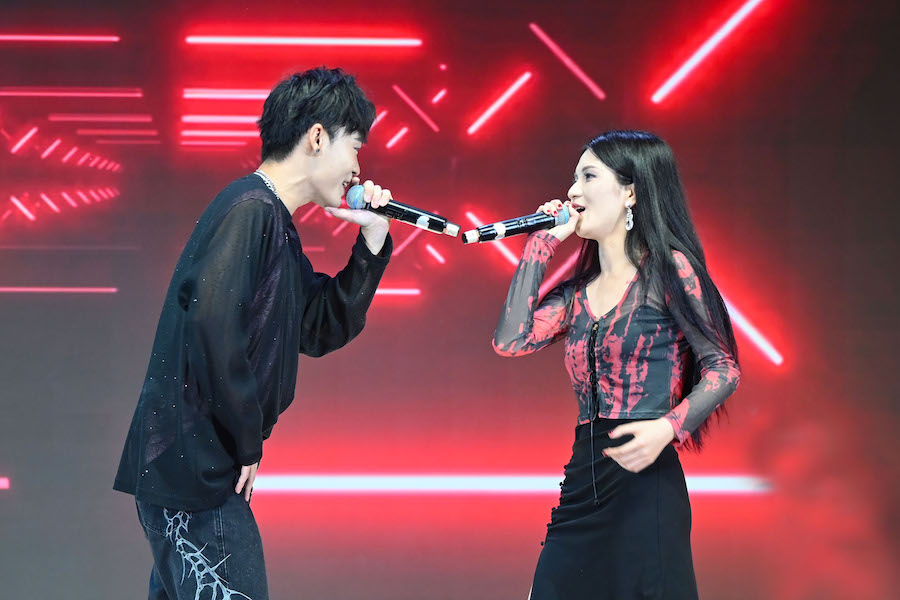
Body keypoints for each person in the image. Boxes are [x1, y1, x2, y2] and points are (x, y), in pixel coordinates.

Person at [113, 66, 395, 600]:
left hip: (197, 472)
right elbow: (213, 329)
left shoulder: (272, 221)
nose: (359, 168)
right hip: (196, 475)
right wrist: (247, 441)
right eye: (355, 147)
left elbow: (318, 326)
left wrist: (374, 240)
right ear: (317, 137)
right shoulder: (252, 210)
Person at [493, 130, 741, 599]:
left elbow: (723, 367)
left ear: (630, 192)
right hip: (582, 486)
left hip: (645, 488)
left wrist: (668, 428)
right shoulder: (576, 295)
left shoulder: (670, 271)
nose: (572, 191)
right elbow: (510, 342)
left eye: (588, 177)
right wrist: (541, 245)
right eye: (573, 178)